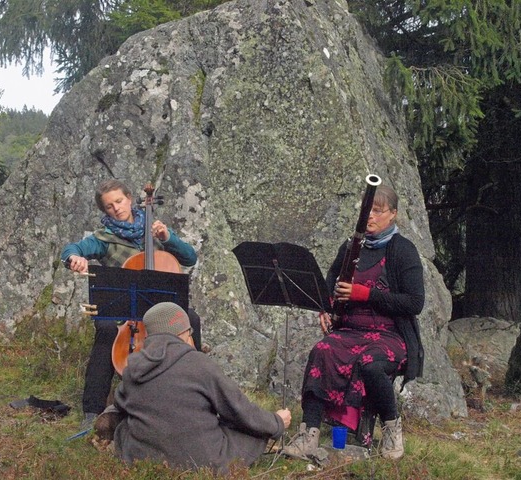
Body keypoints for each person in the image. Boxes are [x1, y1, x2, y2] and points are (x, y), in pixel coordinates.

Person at [282, 184, 425, 461]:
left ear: (393, 215)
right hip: (350, 330)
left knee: (370, 365)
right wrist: (324, 308)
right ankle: (309, 433)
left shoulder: (404, 250)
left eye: (378, 211)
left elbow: (414, 303)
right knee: (321, 352)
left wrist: (366, 294)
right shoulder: (351, 246)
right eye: (367, 209)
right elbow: (329, 282)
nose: (370, 216)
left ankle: (392, 427)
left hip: (391, 335)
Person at [61, 179, 200, 427]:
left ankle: (197, 393)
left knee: (192, 320)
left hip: (158, 307)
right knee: (105, 330)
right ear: (105, 211)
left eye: (119, 201)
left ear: (129, 199)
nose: (116, 208)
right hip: (122, 310)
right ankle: (92, 410)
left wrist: (168, 238)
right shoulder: (105, 238)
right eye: (109, 206)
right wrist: (73, 257)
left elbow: (190, 257)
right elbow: (74, 249)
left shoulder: (154, 229)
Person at [100, 302, 291, 473]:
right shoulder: (200, 363)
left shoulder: (133, 366)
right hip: (201, 462)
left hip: (142, 458)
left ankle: (125, 437)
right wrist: (276, 422)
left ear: (148, 335)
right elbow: (238, 409)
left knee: (127, 424)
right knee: (247, 431)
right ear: (185, 334)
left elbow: (121, 402)